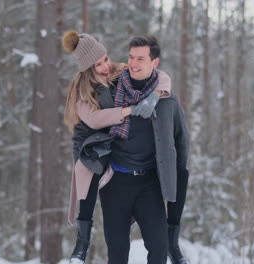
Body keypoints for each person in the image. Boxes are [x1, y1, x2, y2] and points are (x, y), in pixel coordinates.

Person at [64, 32, 190, 264]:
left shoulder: (122, 75)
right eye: (97, 65)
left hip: (148, 181)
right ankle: (81, 243)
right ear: (86, 70)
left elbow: (161, 76)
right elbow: (93, 120)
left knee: (159, 248)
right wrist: (128, 111)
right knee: (118, 253)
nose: (104, 66)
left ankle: (173, 244)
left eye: (105, 59)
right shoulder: (89, 95)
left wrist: (154, 95)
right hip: (116, 182)